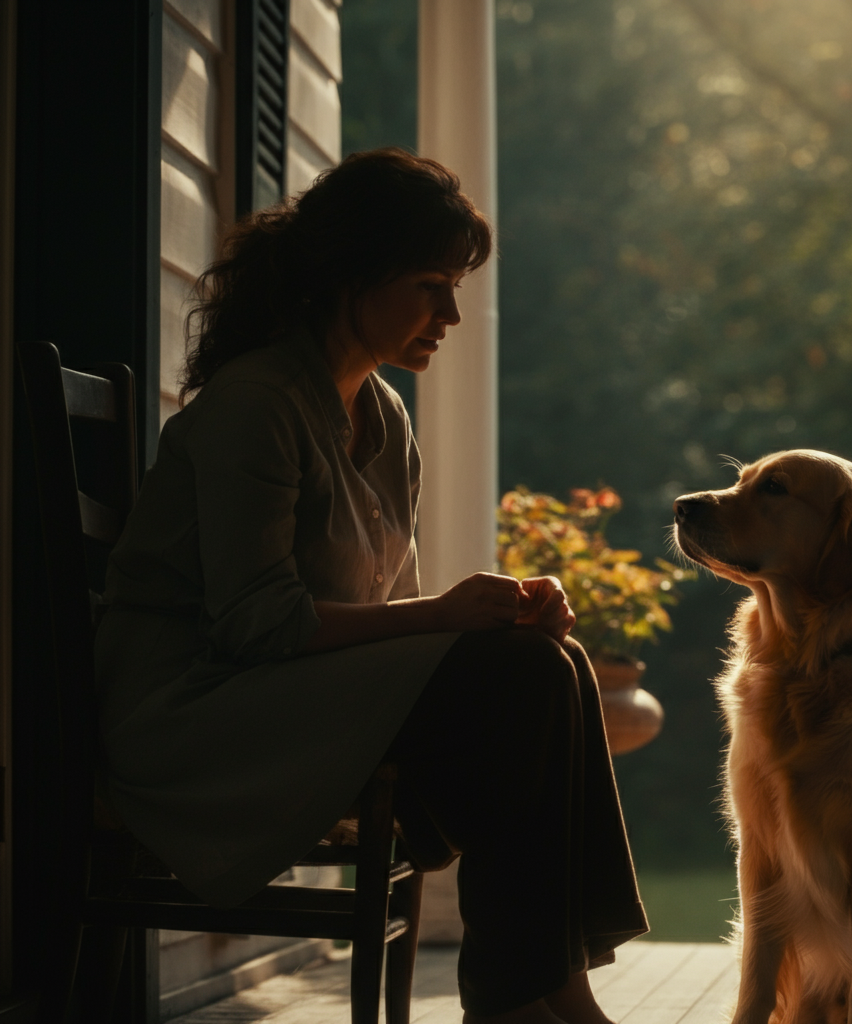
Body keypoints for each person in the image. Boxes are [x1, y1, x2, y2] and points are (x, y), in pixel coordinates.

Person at [95, 148, 647, 1024]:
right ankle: (518, 1005)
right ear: (349, 275)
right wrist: (449, 616)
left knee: (553, 661)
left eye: (455, 285)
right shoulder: (256, 405)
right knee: (522, 674)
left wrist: (494, 615)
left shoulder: (383, 417)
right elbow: (253, 625)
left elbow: (395, 632)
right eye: (432, 283)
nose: (452, 312)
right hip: (196, 717)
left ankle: (557, 994)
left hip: (288, 692)